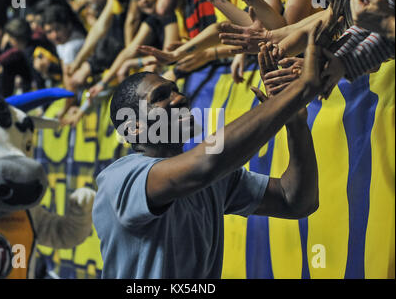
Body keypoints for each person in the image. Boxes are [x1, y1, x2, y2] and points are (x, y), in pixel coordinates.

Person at [92, 24, 335, 279]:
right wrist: (297, 92)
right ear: (134, 128)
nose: (180, 98)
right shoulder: (119, 179)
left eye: (176, 90)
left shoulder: (210, 177)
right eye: (161, 96)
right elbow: (205, 165)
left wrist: (295, 124)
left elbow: (295, 201)